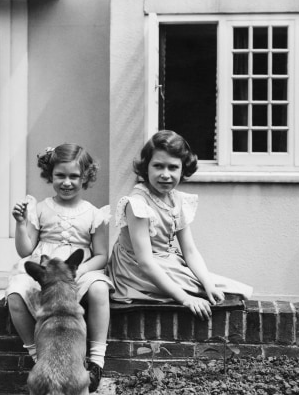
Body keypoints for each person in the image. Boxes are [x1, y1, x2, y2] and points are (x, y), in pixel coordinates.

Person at [107, 130, 253, 320]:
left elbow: (190, 251)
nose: (165, 175)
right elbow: (145, 262)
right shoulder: (138, 203)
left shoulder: (177, 200)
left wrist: (208, 283)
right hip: (135, 270)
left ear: (183, 170)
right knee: (206, 292)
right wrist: (185, 299)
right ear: (146, 168)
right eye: (158, 166)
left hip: (164, 262)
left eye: (173, 167)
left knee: (223, 289)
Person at [6, 143, 113, 393]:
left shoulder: (93, 213)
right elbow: (25, 250)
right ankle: (38, 358)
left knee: (99, 289)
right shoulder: (41, 209)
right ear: (50, 175)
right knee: (16, 293)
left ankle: (97, 361)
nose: (67, 182)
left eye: (74, 176)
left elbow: (101, 255)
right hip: (44, 272)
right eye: (60, 176)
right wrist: (21, 225)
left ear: (85, 177)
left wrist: (82, 271)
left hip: (79, 270)